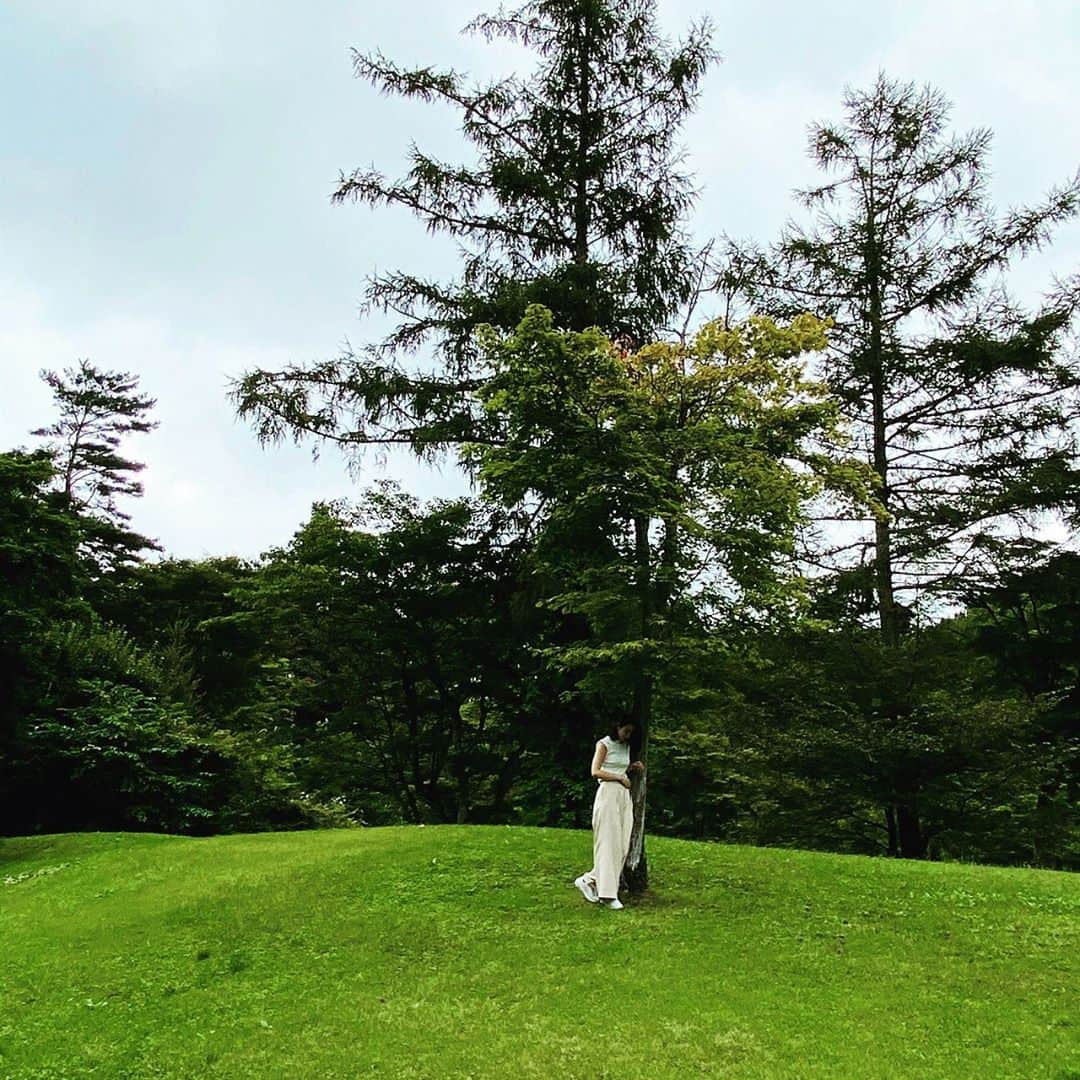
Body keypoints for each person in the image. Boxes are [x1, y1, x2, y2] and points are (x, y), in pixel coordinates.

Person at [574, 721, 644, 910]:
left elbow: (618, 768)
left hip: (623, 795)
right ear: (617, 727)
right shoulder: (604, 744)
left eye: (631, 732)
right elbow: (595, 771)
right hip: (608, 793)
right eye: (625, 731)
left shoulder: (626, 747)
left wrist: (630, 769)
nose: (627, 735)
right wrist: (620, 777)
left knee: (622, 845)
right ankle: (607, 895)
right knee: (608, 842)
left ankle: (590, 880)